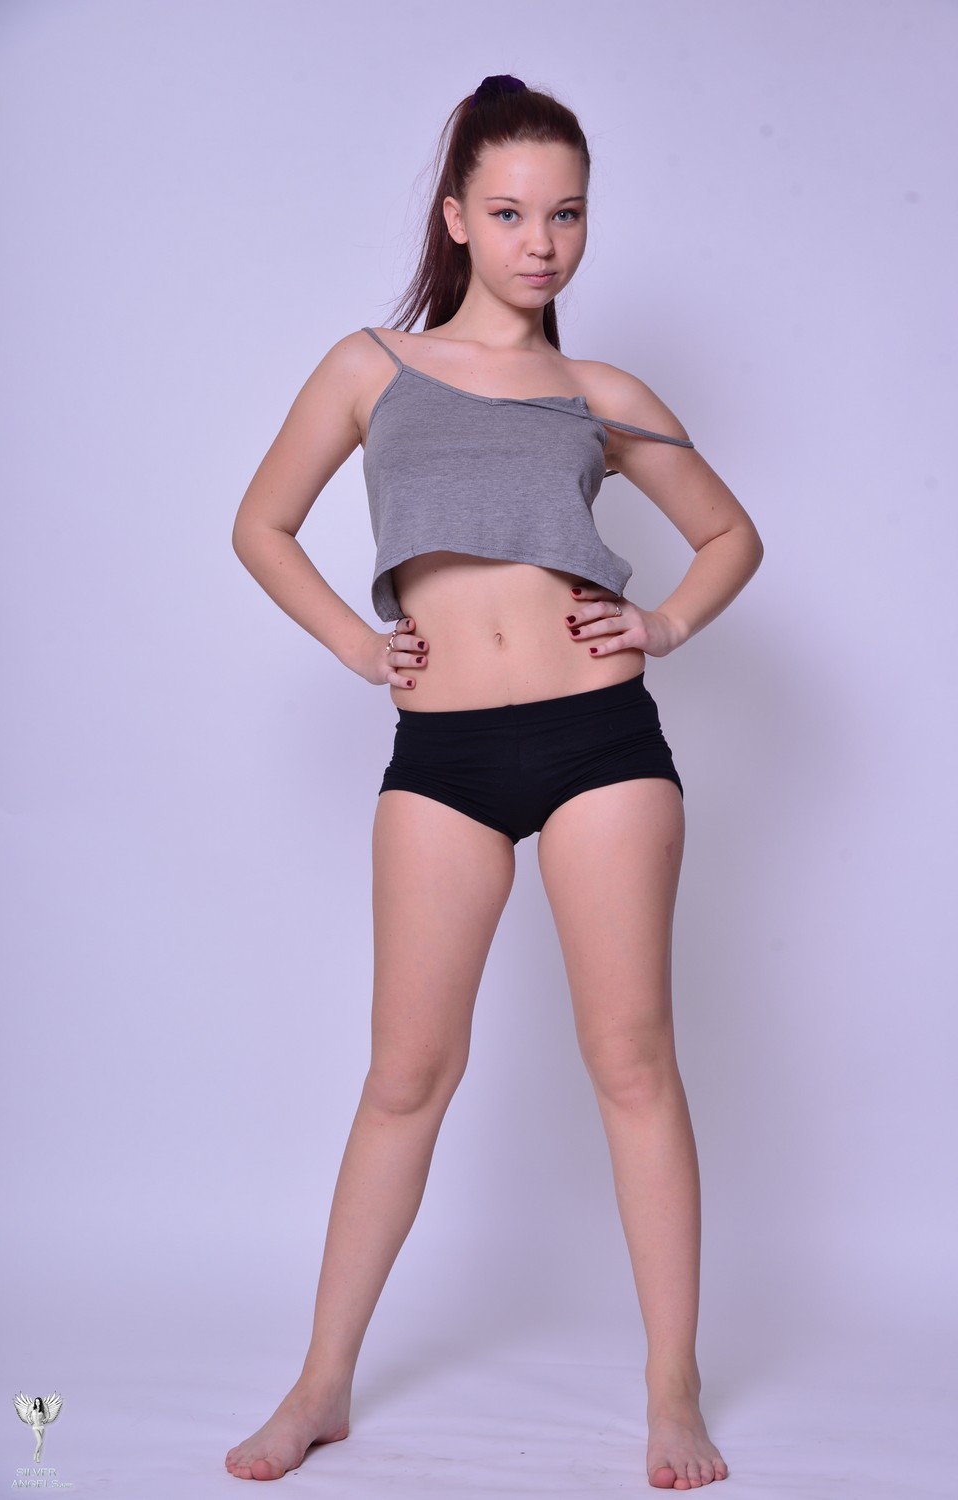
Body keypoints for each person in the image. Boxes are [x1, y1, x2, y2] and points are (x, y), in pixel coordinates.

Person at [225, 74, 762, 1492]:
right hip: (445, 758)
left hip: (600, 747)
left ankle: (670, 1390)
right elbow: (262, 523)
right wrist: (359, 645)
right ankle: (322, 1385)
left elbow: (732, 537)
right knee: (406, 1074)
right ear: (458, 217)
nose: (543, 242)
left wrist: (662, 625)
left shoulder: (603, 395)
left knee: (631, 1062)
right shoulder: (369, 366)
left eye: (567, 214)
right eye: (513, 213)